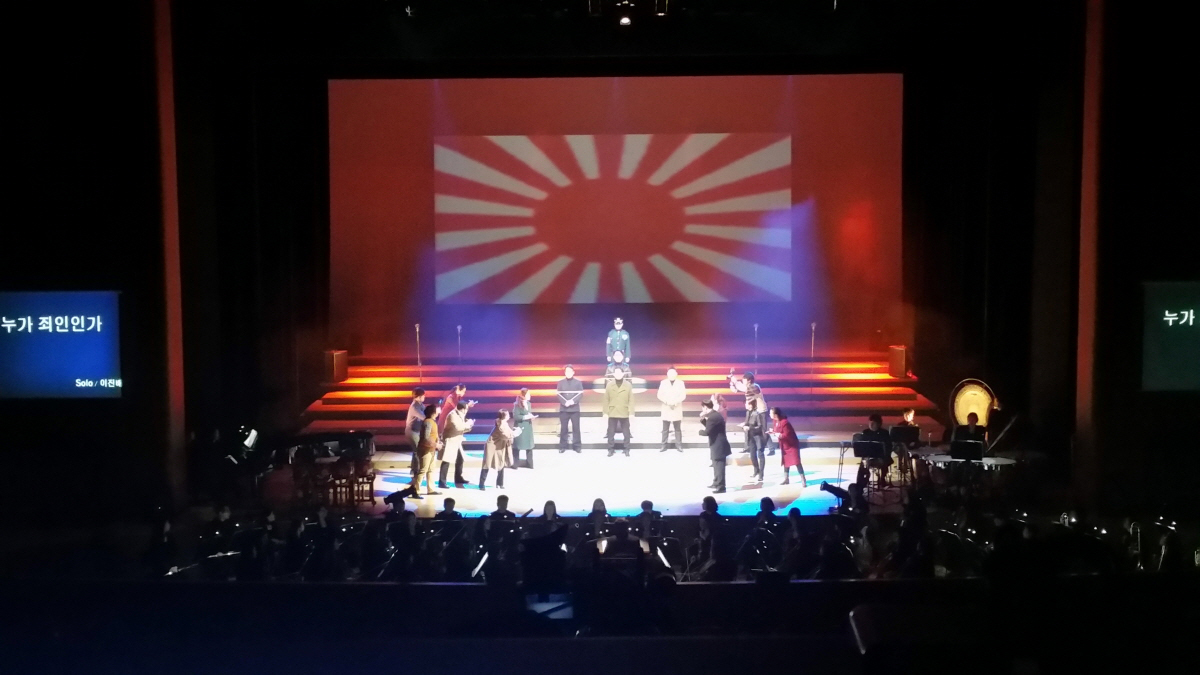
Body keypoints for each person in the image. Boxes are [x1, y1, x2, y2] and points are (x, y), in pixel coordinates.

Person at [404, 404, 442, 499]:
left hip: (431, 449)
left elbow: (433, 435)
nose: (439, 409)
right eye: (437, 408)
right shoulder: (428, 422)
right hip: (425, 450)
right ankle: (415, 491)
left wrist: (438, 441)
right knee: (423, 470)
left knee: (431, 469)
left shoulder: (432, 422)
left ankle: (431, 489)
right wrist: (436, 445)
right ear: (433, 412)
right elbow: (426, 438)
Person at [437, 401, 473, 489]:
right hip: (450, 440)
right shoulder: (452, 415)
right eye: (466, 409)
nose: (467, 411)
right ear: (462, 409)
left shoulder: (460, 414)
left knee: (460, 459)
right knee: (446, 461)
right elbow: (458, 427)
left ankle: (458, 478)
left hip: (457, 440)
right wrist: (468, 424)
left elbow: (462, 428)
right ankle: (442, 482)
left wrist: (469, 426)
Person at [480, 410, 519, 491]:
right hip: (492, 446)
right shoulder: (500, 425)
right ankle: (481, 484)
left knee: (501, 462)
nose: (509, 415)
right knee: (487, 464)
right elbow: (505, 435)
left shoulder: (505, 423)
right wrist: (516, 433)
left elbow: (509, 433)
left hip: (500, 445)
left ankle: (500, 483)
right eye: (507, 414)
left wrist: (515, 432)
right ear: (504, 416)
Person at [699, 399, 732, 493]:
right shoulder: (714, 415)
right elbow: (711, 427)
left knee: (719, 466)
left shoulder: (713, 417)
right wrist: (703, 420)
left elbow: (707, 431)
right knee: (716, 464)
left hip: (719, 445)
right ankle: (716, 482)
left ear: (705, 407)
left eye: (703, 408)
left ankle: (721, 486)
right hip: (717, 444)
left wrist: (700, 432)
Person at [770, 407, 806, 487]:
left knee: (796, 462)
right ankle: (786, 479)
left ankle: (803, 479)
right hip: (784, 445)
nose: (769, 414)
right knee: (786, 462)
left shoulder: (785, 422)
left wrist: (778, 435)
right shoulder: (775, 421)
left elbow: (786, 435)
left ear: (775, 415)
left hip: (792, 444)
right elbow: (777, 431)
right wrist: (772, 432)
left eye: (771, 413)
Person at [604, 367, 635, 457]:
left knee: (626, 432)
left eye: (619, 373)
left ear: (623, 374)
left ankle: (627, 449)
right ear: (613, 374)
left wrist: (631, 412)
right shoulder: (609, 385)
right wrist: (605, 412)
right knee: (611, 432)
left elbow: (631, 399)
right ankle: (610, 449)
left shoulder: (628, 385)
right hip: (612, 411)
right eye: (616, 373)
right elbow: (606, 399)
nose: (618, 375)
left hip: (624, 411)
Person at [657, 367, 687, 453]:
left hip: (676, 407)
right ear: (667, 374)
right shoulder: (663, 383)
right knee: (665, 429)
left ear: (676, 374)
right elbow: (659, 395)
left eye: (673, 373)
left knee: (677, 429)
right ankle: (663, 445)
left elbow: (683, 395)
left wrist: (676, 402)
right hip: (666, 407)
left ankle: (679, 445)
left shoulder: (681, 383)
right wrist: (666, 401)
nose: (672, 375)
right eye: (670, 373)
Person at [556, 364, 583, 454]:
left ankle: (577, 446)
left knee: (576, 428)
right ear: (564, 373)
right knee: (563, 428)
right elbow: (558, 394)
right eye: (566, 371)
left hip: (575, 409)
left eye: (570, 371)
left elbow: (580, 394)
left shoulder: (578, 382)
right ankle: (562, 446)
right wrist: (565, 402)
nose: (568, 373)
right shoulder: (560, 382)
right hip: (564, 409)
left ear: (573, 372)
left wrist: (573, 401)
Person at [861, 413, 894, 485]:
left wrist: (883, 454)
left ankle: (882, 478)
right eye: (870, 423)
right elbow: (862, 446)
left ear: (879, 424)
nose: (871, 425)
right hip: (869, 456)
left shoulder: (884, 433)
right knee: (863, 463)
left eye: (873, 423)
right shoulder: (865, 432)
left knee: (885, 461)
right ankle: (864, 479)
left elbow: (889, 446)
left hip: (882, 456)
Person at [742, 397, 767, 483]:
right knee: (752, 455)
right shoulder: (748, 413)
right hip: (751, 437)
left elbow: (760, 427)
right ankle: (756, 470)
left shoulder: (757, 414)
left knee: (760, 455)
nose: (746, 405)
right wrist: (744, 426)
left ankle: (761, 474)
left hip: (758, 437)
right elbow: (746, 423)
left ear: (752, 405)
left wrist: (750, 428)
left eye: (747, 404)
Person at [512, 387, 537, 469]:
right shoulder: (517, 404)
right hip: (520, 427)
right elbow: (516, 416)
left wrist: (531, 417)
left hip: (528, 427)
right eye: (528, 394)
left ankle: (530, 463)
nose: (530, 395)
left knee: (529, 445)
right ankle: (515, 464)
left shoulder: (529, 403)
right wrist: (526, 417)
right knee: (517, 446)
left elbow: (528, 413)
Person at [406, 388, 427, 474]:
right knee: (417, 451)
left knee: (416, 451)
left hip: (416, 431)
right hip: (412, 431)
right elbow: (424, 417)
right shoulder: (414, 406)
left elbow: (426, 412)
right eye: (423, 395)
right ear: (418, 396)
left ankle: (414, 470)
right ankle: (415, 471)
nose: (424, 397)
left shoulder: (420, 404)